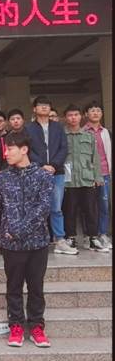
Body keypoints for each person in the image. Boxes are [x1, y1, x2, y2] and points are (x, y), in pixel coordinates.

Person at [0, 131, 54, 348]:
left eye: (10, 149)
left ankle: (36, 326)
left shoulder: (43, 176)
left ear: (24, 149)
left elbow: (43, 208)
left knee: (36, 287)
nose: (6, 153)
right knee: (13, 286)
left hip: (37, 242)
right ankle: (15, 325)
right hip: (11, 244)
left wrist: (18, 230)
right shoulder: (1, 178)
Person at [27, 96, 74, 255]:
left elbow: (64, 148)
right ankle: (36, 239)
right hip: (36, 173)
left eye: (47, 105)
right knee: (35, 207)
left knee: (56, 207)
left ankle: (59, 240)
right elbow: (27, 149)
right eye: (41, 105)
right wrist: (42, 165)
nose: (44, 107)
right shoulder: (28, 128)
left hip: (56, 172)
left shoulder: (58, 127)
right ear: (34, 109)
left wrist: (53, 165)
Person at [62, 105, 108, 252]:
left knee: (91, 209)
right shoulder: (62, 136)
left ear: (81, 116)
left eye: (76, 114)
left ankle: (93, 237)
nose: (73, 118)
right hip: (69, 180)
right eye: (70, 115)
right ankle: (71, 237)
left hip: (87, 179)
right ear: (65, 118)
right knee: (69, 210)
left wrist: (98, 176)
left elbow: (95, 157)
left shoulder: (89, 136)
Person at [83, 101, 112, 250]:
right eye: (92, 110)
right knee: (89, 207)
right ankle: (89, 235)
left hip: (105, 173)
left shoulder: (105, 132)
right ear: (86, 114)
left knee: (104, 206)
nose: (95, 113)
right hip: (88, 175)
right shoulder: (83, 131)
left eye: (98, 110)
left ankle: (103, 234)